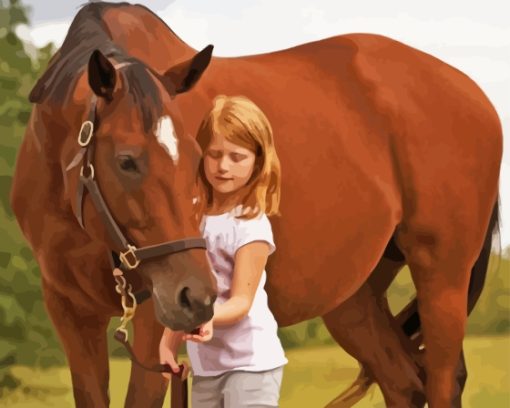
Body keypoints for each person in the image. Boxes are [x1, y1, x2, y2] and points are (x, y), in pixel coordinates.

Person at [159, 94, 287, 408]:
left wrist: (209, 317)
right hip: (206, 366)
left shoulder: (250, 225)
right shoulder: (191, 216)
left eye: (236, 157)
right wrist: (167, 343)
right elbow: (183, 292)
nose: (223, 166)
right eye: (214, 154)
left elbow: (242, 300)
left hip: (251, 364)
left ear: (258, 160)